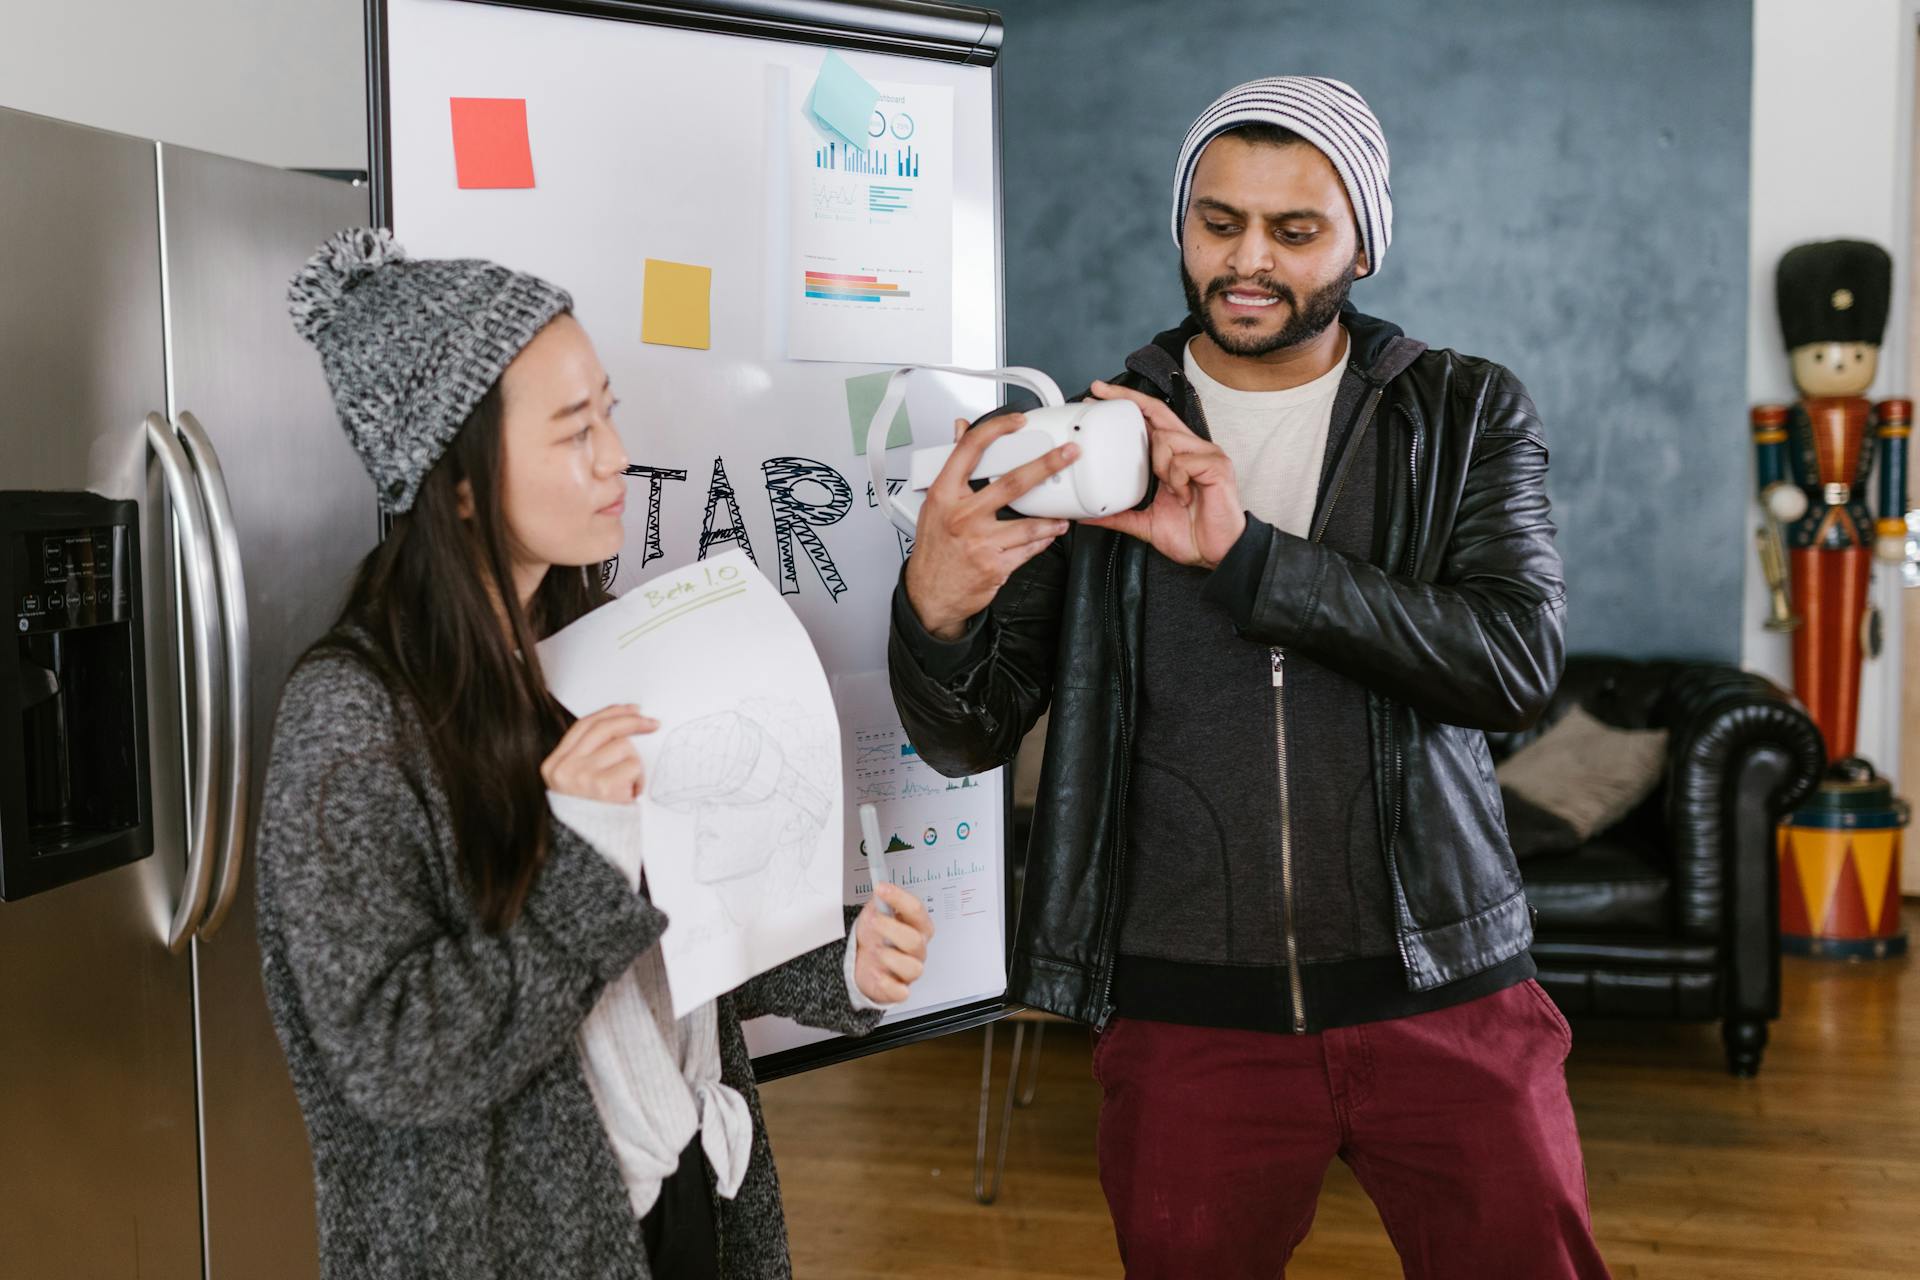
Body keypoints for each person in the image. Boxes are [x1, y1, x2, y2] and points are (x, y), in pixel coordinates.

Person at [888, 77, 1609, 1278]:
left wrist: (1246, 557)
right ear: (1182, 226)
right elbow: (968, 733)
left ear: (1364, 241)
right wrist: (938, 600)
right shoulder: (1092, 437)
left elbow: (1512, 665)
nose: (1249, 260)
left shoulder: (1462, 411)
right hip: (1187, 1017)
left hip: (1447, 990)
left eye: (1295, 228)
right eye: (1218, 222)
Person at [257, 227, 935, 1279]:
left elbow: (681, 921)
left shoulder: (604, 642)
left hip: (691, 1192)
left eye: (607, 410)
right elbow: (392, 1063)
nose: (617, 454)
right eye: (575, 430)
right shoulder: (349, 720)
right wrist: (579, 852)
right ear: (462, 484)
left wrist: (837, 960)